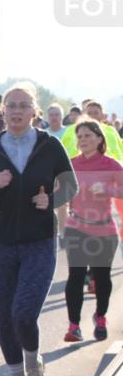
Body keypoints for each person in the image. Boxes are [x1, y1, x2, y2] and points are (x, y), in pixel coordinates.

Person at [0, 82, 77, 376]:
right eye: (11, 105)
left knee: (23, 312)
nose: (16, 111)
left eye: (23, 105)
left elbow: (70, 185)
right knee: (4, 316)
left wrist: (52, 200)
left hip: (39, 240)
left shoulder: (49, 145)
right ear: (3, 111)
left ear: (34, 111)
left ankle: (33, 364)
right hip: (2, 242)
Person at [62, 120, 123, 342]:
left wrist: (108, 188)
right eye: (80, 137)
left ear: (99, 139)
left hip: (104, 229)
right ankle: (74, 325)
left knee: (102, 277)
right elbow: (59, 189)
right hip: (76, 226)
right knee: (76, 275)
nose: (83, 140)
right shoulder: (71, 164)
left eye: (88, 136)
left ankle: (100, 316)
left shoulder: (111, 165)